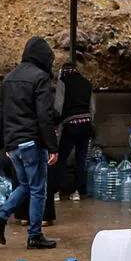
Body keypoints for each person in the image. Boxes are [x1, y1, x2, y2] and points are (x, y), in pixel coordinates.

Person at [0, 37, 59, 249]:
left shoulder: (9, 78)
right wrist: (52, 146)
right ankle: (34, 235)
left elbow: (2, 113)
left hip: (14, 144)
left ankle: (0, 216)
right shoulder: (40, 78)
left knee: (25, 185)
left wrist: (7, 144)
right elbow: (44, 115)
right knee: (38, 190)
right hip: (31, 143)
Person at [53, 56, 93, 203]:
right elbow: (92, 108)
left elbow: (58, 106)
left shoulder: (63, 81)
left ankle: (56, 191)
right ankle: (76, 192)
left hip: (71, 125)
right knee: (81, 160)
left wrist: (55, 124)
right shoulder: (87, 83)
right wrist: (90, 123)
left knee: (61, 158)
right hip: (86, 125)